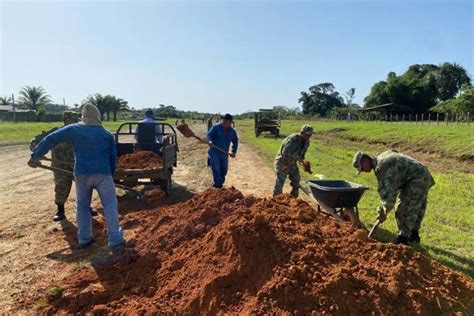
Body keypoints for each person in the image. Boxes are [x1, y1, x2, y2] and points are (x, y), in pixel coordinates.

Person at [28, 103, 125, 249]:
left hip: (81, 174)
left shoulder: (74, 130)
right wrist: (110, 175)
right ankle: (115, 239)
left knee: (82, 206)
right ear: (98, 117)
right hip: (103, 173)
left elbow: (51, 139)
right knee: (110, 203)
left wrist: (36, 155)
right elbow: (112, 158)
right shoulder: (106, 134)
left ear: (83, 117)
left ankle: (84, 238)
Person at [352, 150, 435, 245]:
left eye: (362, 168)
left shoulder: (382, 167)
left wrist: (382, 211)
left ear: (365, 161)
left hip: (416, 179)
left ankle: (403, 239)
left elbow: (389, 195)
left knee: (402, 209)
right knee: (417, 207)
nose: (363, 171)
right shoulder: (382, 155)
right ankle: (414, 235)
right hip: (423, 174)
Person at [273, 125, 313, 197]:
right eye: (307, 134)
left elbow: (302, 154)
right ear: (302, 132)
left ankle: (294, 199)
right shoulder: (292, 139)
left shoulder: (306, 142)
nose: (308, 136)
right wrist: (299, 159)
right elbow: (285, 152)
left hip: (292, 163)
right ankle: (276, 199)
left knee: (296, 179)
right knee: (280, 181)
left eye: (310, 134)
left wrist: (303, 162)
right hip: (282, 162)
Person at [207, 113, 238, 188]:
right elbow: (209, 135)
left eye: (227, 121)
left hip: (224, 153)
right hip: (214, 152)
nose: (224, 122)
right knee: (216, 169)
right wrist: (210, 141)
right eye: (223, 120)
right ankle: (218, 185)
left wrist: (233, 151)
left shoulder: (232, 131)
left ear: (230, 122)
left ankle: (220, 183)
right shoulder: (215, 128)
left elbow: (235, 141)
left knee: (224, 170)